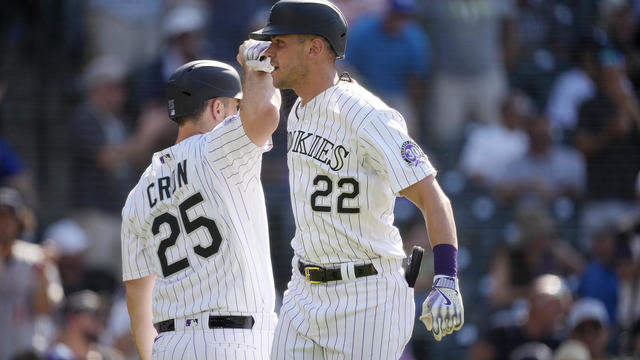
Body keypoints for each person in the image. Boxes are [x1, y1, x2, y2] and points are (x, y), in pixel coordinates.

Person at [250, 1, 463, 358]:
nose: (269, 51)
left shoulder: (368, 115)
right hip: (304, 292)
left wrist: (446, 277)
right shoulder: (299, 111)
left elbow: (433, 197)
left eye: (279, 43)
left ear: (314, 48)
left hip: (366, 297)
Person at [121, 46, 281, 360]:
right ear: (217, 109)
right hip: (233, 341)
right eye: (237, 105)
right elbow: (265, 112)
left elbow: (137, 297)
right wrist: (256, 64)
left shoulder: (139, 191)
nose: (239, 113)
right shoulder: (218, 147)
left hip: (169, 345)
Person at [0, 187, 63, 359]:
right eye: (0, 218)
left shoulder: (37, 257)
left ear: (19, 222)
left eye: (9, 219)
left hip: (27, 350)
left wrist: (42, 272)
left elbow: (45, 310)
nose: (4, 225)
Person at [45, 290, 123, 360]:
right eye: (92, 313)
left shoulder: (110, 357)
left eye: (101, 314)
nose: (98, 319)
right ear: (72, 320)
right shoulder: (57, 356)